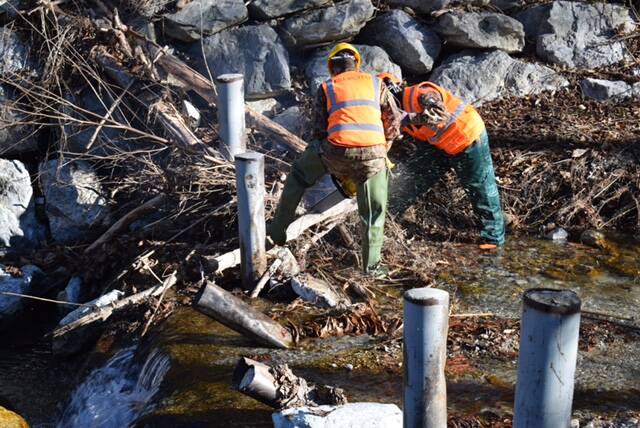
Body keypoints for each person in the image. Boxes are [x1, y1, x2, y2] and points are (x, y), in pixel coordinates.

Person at [268, 43, 402, 274]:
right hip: (373, 156)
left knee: (298, 177)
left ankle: (277, 234)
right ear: (357, 65)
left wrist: (327, 155)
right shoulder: (376, 83)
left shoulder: (327, 87)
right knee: (373, 211)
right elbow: (393, 120)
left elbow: (319, 129)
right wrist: (384, 146)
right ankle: (372, 268)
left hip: (336, 151)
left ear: (332, 67)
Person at [380, 74, 505, 249]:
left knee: (480, 188)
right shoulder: (392, 112)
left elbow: (439, 114)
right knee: (415, 178)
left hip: (466, 136)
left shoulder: (422, 95)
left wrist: (406, 118)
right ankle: (387, 218)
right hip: (439, 145)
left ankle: (493, 241)